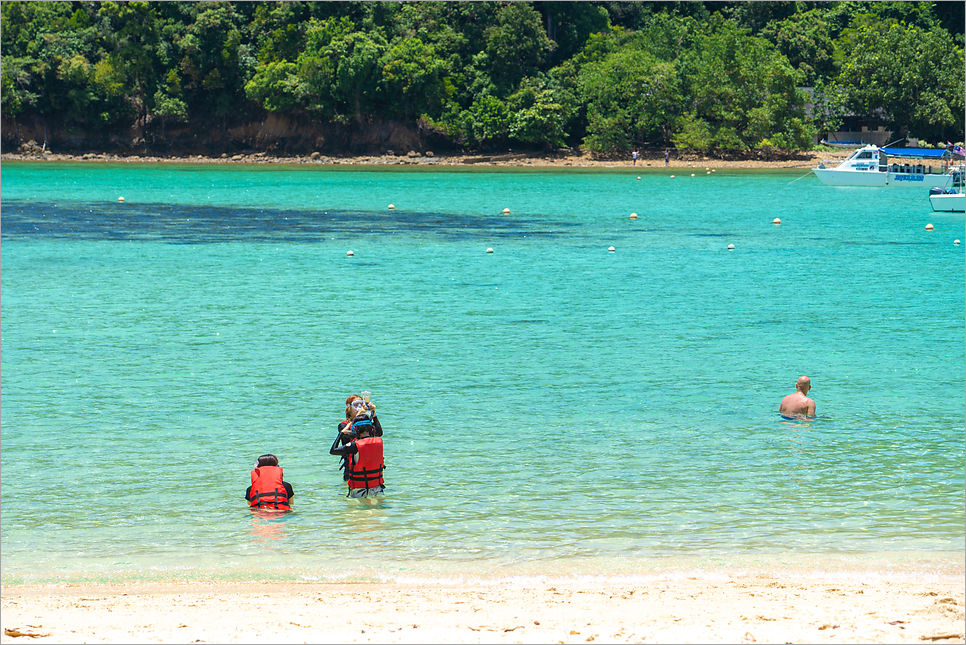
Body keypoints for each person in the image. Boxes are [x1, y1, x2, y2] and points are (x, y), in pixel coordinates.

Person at [330, 395, 385, 498]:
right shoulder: (343, 425)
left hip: (366, 465)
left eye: (361, 404)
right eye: (356, 405)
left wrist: (373, 413)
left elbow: (378, 432)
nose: (359, 407)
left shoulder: (365, 425)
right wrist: (361, 415)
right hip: (351, 467)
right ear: (349, 408)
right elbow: (355, 432)